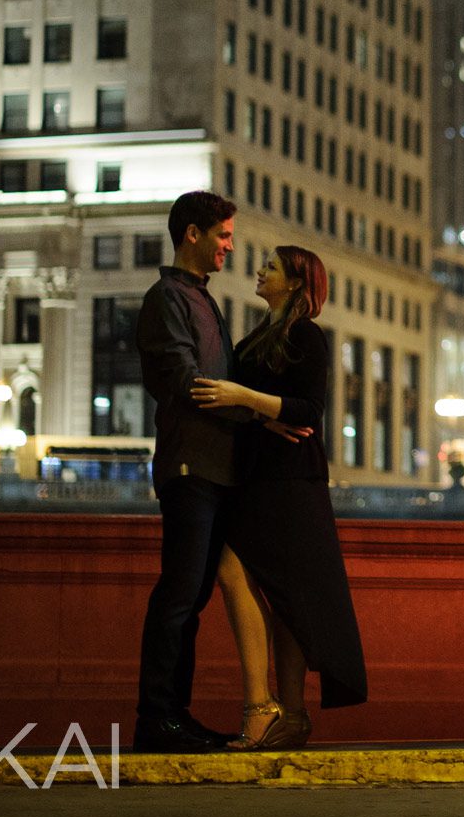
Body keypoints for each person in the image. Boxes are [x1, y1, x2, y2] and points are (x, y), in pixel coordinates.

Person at [191, 245, 367, 748]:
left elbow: (309, 410)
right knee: (261, 583)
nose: (261, 270)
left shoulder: (306, 335)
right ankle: (282, 711)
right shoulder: (254, 340)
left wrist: (244, 397)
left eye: (271, 266)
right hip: (258, 476)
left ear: (294, 282)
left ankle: (270, 708)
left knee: (256, 579)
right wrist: (262, 412)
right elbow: (265, 410)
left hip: (291, 481)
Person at [132, 190, 252, 753]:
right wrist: (255, 408)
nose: (230, 245)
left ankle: (172, 716)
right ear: (192, 235)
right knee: (179, 596)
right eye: (222, 235)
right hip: (189, 465)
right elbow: (184, 381)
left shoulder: (199, 298)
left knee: (191, 598)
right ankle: (158, 719)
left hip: (212, 466)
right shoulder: (168, 298)